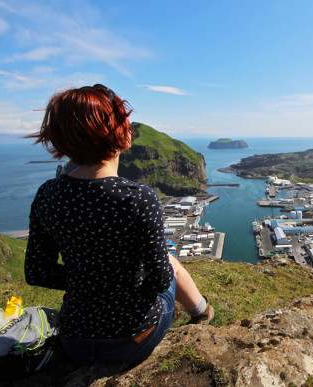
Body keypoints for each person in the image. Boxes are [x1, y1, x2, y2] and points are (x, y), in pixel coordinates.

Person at [24, 84, 214, 364]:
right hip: (132, 339)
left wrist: (89, 282)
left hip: (74, 339)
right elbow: (161, 279)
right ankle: (202, 312)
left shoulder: (48, 194)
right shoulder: (138, 198)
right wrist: (120, 283)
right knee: (170, 262)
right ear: (119, 132)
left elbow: (38, 272)